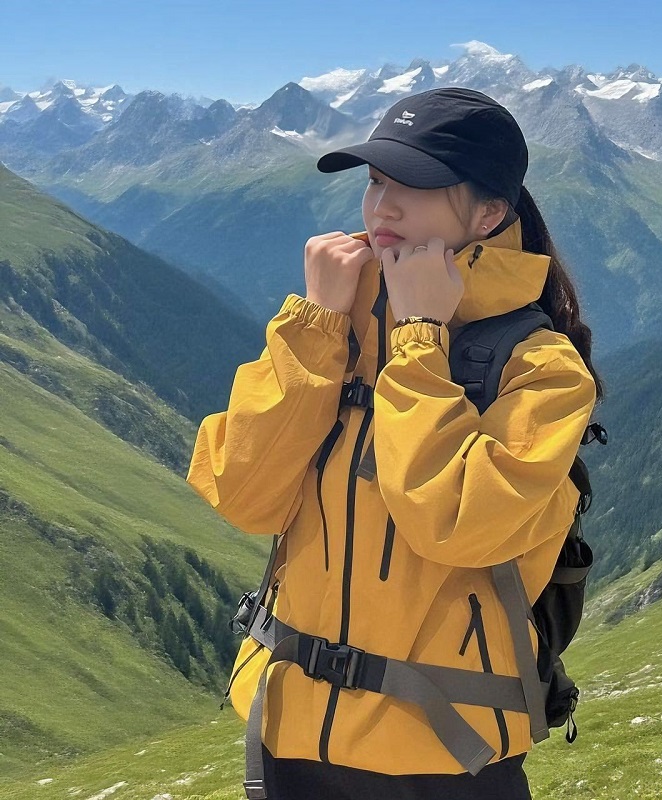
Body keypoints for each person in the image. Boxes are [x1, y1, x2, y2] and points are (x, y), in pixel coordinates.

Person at [186, 86, 604, 800]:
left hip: (446, 754)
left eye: (415, 185)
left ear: (489, 213)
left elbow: (455, 524)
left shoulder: (543, 369)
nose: (382, 206)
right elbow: (240, 493)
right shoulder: (334, 328)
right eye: (376, 180)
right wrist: (314, 325)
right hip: (289, 736)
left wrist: (419, 340)